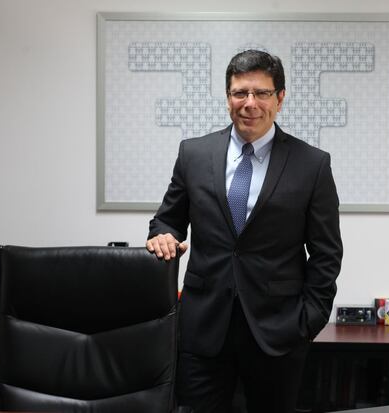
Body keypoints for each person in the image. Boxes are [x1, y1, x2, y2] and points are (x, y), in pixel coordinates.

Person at [147, 49, 343, 413]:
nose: (249, 103)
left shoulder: (312, 164)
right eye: (240, 93)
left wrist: (308, 321)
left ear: (280, 98)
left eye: (261, 93)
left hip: (279, 332)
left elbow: (326, 253)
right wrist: (163, 234)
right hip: (203, 330)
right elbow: (167, 220)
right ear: (228, 97)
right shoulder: (193, 154)